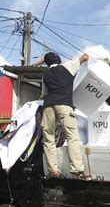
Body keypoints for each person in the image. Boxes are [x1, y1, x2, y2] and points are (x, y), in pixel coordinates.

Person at [35, 52, 91, 180]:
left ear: (47, 63)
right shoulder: (68, 66)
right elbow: (85, 57)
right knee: (72, 135)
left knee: (48, 137)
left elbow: (44, 94)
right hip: (64, 104)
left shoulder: (45, 75)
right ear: (59, 60)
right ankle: (76, 169)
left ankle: (53, 171)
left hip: (48, 105)